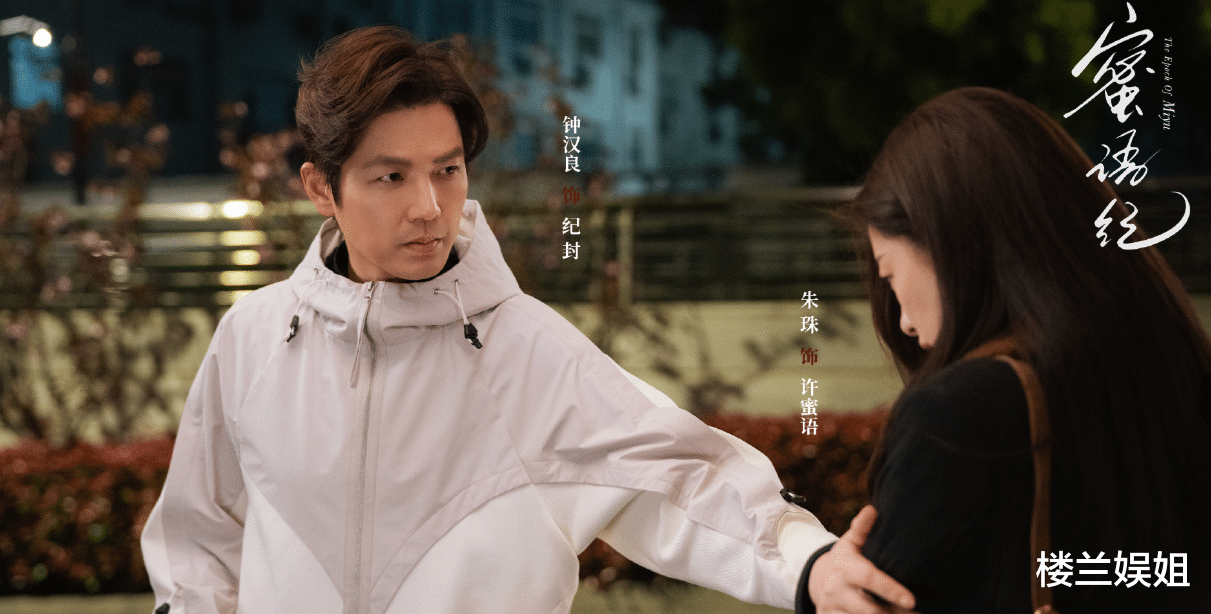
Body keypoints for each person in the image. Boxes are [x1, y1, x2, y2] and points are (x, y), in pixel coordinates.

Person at [140, 26, 915, 614]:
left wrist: (808, 564)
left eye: (447, 170)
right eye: (391, 177)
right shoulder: (253, 338)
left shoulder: (525, 349)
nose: (429, 206)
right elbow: (196, 538)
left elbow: (680, 477)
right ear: (320, 188)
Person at [796, 86, 1211, 613]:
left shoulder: (962, 412)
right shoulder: (1169, 367)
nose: (904, 322)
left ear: (945, 240)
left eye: (890, 274)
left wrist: (823, 584)